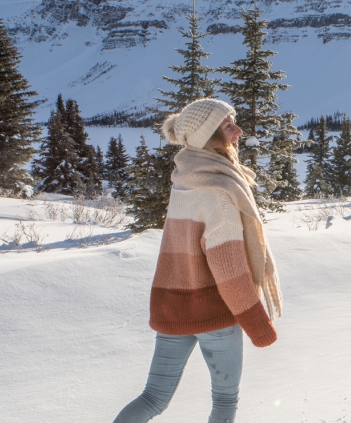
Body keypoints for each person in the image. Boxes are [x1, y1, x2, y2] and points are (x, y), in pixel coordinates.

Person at [115, 98, 283, 423]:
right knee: (224, 401)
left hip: (173, 307)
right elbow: (229, 269)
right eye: (228, 125)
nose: (238, 130)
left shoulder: (185, 179)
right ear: (208, 136)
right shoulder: (219, 192)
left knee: (152, 398)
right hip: (217, 316)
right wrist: (258, 325)